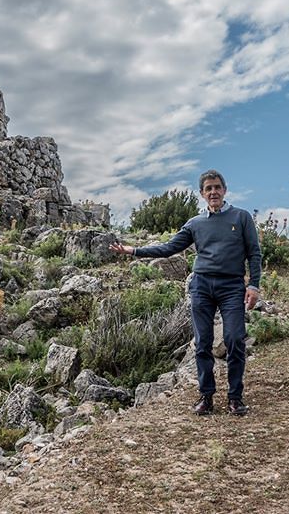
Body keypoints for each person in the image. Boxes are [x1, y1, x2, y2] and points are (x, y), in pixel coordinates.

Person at [109, 169, 261, 416]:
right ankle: (206, 397)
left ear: (225, 190)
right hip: (201, 286)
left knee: (234, 339)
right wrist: (134, 251)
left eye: (217, 187)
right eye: (208, 188)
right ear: (202, 194)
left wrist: (253, 285)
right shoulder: (195, 223)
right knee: (202, 343)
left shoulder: (241, 217)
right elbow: (169, 248)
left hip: (232, 287)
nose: (213, 192)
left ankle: (235, 398)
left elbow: (254, 253)